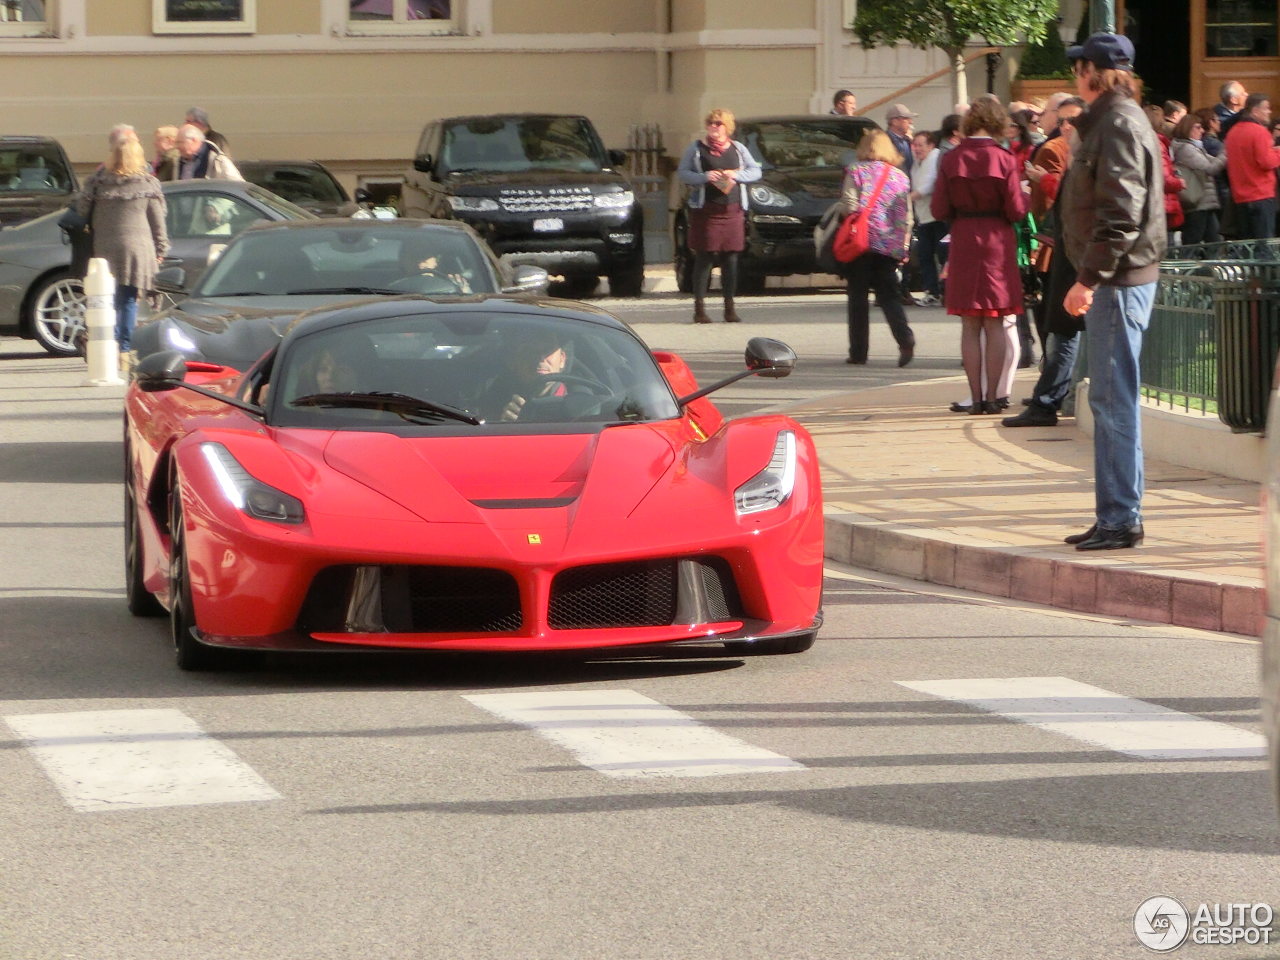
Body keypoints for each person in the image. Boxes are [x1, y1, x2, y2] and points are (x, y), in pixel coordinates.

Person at [1060, 32, 1166, 551]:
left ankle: (1122, 518)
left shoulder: (1118, 123)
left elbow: (1120, 215)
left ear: (1093, 72)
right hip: (1117, 280)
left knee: (1113, 400)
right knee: (1108, 399)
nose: (1073, 74)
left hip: (1118, 283)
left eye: (1079, 65)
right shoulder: (1111, 120)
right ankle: (1115, 514)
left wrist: (1088, 280)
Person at [931, 97, 1027, 414]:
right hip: (997, 237)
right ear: (998, 123)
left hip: (963, 237)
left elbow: (939, 209)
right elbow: (1015, 209)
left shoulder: (950, 158)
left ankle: (976, 397)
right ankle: (993, 399)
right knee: (996, 320)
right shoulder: (1004, 158)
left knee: (970, 324)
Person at [75, 135, 168, 354]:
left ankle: (106, 342)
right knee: (128, 299)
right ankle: (124, 348)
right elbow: (158, 220)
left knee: (107, 297)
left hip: (104, 248)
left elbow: (81, 211)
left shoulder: (97, 183)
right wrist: (161, 248)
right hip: (137, 248)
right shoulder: (147, 183)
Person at [676, 108, 762, 324]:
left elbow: (756, 171)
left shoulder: (738, 148)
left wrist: (736, 174)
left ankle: (729, 308)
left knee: (731, 259)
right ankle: (699, 308)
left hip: (732, 210)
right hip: (707, 210)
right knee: (705, 258)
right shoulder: (696, 149)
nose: (714, 127)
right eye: (711, 123)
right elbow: (683, 173)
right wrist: (704, 176)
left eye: (718, 123)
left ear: (727, 127)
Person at [836, 130, 914, 366]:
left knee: (857, 298)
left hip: (860, 243)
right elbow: (907, 216)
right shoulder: (899, 177)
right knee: (890, 296)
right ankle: (905, 338)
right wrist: (904, 244)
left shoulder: (856, 171)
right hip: (889, 244)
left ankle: (858, 352)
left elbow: (850, 205)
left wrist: (845, 215)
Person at [479, 328, 571, 422]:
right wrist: (503, 426)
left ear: (562, 359)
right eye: (529, 350)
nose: (540, 357)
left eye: (547, 350)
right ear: (512, 361)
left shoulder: (580, 408)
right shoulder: (493, 403)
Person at [1223, 94, 1280, 240]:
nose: (1269, 112)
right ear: (1255, 110)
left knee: (1247, 246)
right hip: (1261, 194)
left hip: (1240, 197)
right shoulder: (1260, 132)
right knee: (1264, 246)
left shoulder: (1233, 132)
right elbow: (1267, 162)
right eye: (1266, 108)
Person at [1170, 113, 1227, 245]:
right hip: (1197, 203)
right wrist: (1225, 153)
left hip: (1204, 202)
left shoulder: (1195, 147)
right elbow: (1210, 168)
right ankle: (1186, 265)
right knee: (1193, 240)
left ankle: (1210, 265)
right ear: (1187, 128)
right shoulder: (1186, 149)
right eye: (1198, 127)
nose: (1202, 130)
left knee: (1214, 241)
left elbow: (1214, 161)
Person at [909, 131, 945, 306]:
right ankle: (932, 292)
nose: (916, 149)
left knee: (944, 255)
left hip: (939, 217)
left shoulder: (935, 159)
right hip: (924, 217)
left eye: (920, 145)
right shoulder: (917, 163)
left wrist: (903, 200)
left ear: (931, 146)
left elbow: (927, 186)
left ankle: (946, 291)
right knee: (925, 256)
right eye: (914, 145)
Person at [176, 124, 242, 181]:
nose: (177, 147)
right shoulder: (177, 163)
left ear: (194, 140)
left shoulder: (218, 161)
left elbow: (238, 187)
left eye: (180, 142)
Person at [885, 103, 917, 174]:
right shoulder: (884, 141)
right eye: (906, 118)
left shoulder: (908, 140)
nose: (911, 122)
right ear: (895, 122)